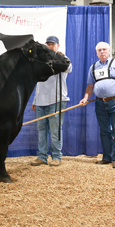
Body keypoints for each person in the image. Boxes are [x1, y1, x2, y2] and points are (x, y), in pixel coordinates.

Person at [80, 42, 115, 169]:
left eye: (104, 49)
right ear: (96, 53)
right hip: (100, 103)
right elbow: (90, 86)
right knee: (104, 131)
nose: (102, 52)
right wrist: (85, 98)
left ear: (109, 51)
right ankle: (107, 157)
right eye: (99, 50)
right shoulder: (93, 67)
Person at [31, 36, 73, 167]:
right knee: (41, 130)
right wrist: (35, 100)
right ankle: (42, 156)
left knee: (55, 131)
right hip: (41, 101)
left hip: (57, 100)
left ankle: (56, 156)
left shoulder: (62, 59)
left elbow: (69, 68)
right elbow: (38, 82)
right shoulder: (41, 61)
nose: (50, 46)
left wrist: (62, 57)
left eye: (52, 44)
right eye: (48, 44)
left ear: (58, 46)